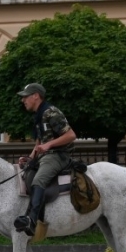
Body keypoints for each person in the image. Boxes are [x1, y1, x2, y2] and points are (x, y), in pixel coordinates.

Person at [14, 82, 76, 236]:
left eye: (25, 97)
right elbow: (39, 142)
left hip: (58, 156)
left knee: (39, 180)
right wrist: (30, 158)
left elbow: (70, 135)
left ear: (36, 96)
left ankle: (32, 220)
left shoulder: (51, 112)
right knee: (22, 174)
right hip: (45, 156)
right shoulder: (38, 115)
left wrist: (48, 145)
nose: (23, 100)